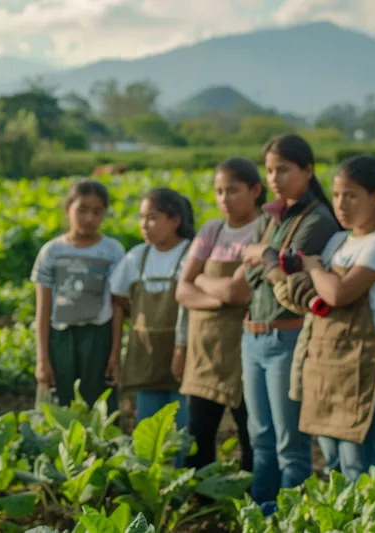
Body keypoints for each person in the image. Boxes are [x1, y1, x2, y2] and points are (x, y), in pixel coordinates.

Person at [276, 155, 375, 483]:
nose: (341, 204)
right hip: (328, 359)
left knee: (360, 465)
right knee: (333, 463)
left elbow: (338, 295)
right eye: (336, 195)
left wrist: (314, 267)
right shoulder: (338, 241)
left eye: (351, 195)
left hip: (369, 360)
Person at [238, 133, 340, 511]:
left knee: (290, 442)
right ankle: (262, 511)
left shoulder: (318, 220)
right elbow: (255, 273)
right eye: (269, 170)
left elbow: (287, 273)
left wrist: (264, 256)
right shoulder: (271, 218)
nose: (275, 178)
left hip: (288, 340)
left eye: (284, 169)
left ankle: (291, 516)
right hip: (254, 337)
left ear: (308, 170)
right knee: (258, 435)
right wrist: (270, 258)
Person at [175, 157, 263, 473]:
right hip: (204, 352)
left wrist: (201, 281)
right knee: (199, 434)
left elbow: (238, 293)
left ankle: (249, 502)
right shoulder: (212, 230)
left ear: (255, 190)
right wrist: (220, 300)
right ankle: (203, 503)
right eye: (219, 191)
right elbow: (181, 290)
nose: (224, 199)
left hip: (243, 349)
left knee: (249, 433)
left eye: (233, 190)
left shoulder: (263, 231)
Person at [31, 178, 125, 413]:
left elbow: (117, 306)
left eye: (97, 211)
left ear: (104, 213)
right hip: (59, 339)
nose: (89, 218)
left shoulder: (113, 251)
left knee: (100, 409)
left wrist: (115, 353)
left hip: (98, 338)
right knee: (58, 410)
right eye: (82, 210)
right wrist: (42, 359)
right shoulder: (52, 252)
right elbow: (42, 309)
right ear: (68, 209)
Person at [110, 188, 193, 438]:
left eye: (153, 217)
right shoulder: (137, 256)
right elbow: (116, 297)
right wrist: (116, 352)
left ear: (175, 220)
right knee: (147, 434)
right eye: (142, 217)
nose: (145, 225)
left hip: (184, 356)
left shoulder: (191, 254)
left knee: (183, 432)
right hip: (145, 358)